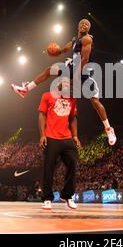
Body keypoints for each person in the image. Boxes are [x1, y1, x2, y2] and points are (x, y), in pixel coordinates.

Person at [12, 19, 116, 146]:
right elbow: (64, 50)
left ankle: (109, 129)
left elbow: (84, 59)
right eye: (82, 23)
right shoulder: (75, 40)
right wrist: (57, 51)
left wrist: (73, 79)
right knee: (49, 70)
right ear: (78, 26)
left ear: (88, 29)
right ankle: (26, 89)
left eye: (87, 24)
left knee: (94, 101)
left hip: (84, 71)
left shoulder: (87, 39)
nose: (84, 25)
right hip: (73, 67)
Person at [38, 77, 81, 210]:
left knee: (73, 163)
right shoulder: (47, 96)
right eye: (65, 82)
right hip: (51, 137)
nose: (68, 84)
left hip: (67, 138)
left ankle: (67, 196)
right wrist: (42, 135)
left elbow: (73, 118)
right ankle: (47, 198)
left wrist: (75, 136)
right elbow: (41, 115)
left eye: (69, 83)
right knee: (48, 168)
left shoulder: (72, 99)